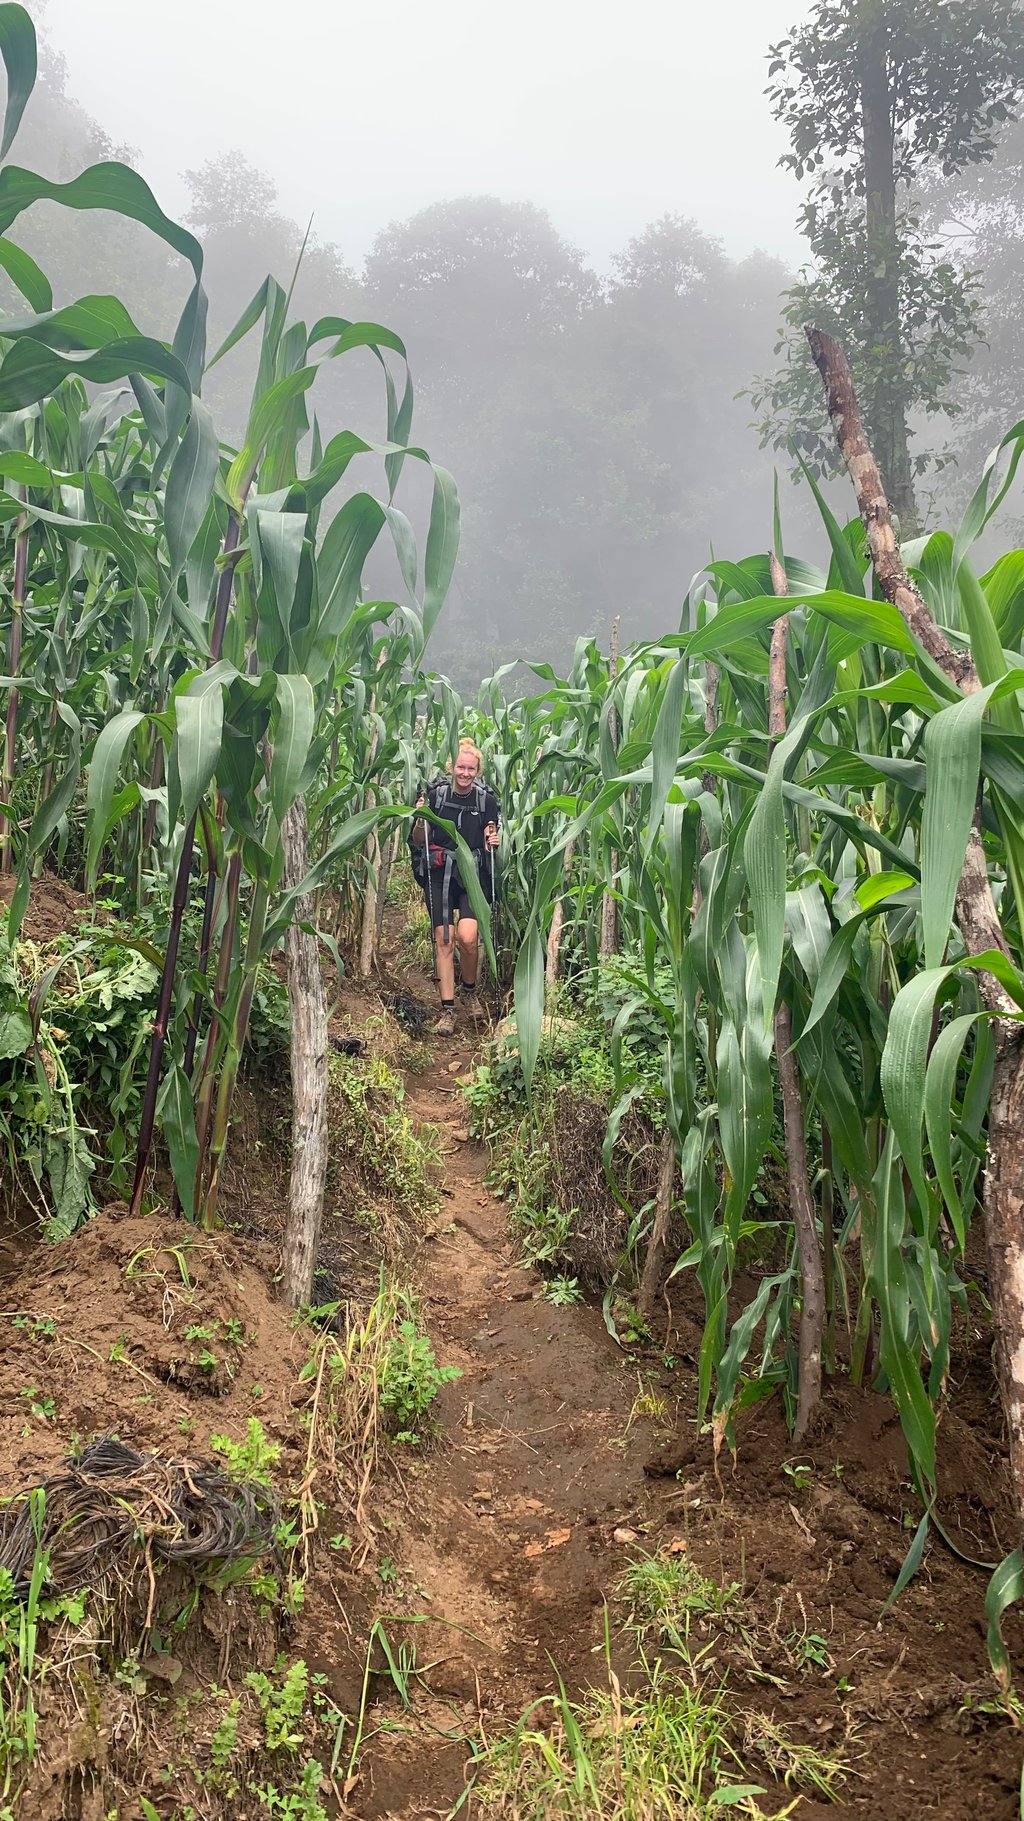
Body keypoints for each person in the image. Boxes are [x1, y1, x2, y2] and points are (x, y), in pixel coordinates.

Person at [409, 740, 500, 1035]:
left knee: (468, 937)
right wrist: (421, 817)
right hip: (440, 873)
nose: (465, 773)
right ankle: (447, 1010)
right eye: (460, 767)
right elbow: (419, 839)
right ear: (451, 767)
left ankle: (470, 991)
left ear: (477, 771)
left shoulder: (485, 801)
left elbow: (490, 838)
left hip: (472, 875)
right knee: (444, 940)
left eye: (470, 768)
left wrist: (492, 841)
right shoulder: (436, 796)